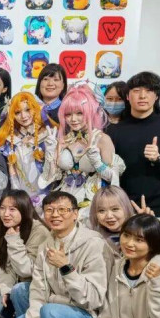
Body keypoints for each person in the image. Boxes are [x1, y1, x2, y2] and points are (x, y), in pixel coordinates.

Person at [3, 191, 113, 318]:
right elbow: (37, 292)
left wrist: (66, 268)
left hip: (88, 316)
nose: (55, 215)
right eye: (49, 210)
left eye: (63, 210)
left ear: (75, 214)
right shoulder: (46, 245)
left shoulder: (93, 244)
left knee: (50, 312)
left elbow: (94, 299)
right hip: (54, 312)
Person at [107, 71, 160, 218]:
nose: (142, 96)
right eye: (136, 91)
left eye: (148, 91)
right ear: (127, 96)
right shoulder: (113, 131)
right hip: (122, 208)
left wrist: (159, 159)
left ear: (156, 96)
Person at [40, 84, 121, 221]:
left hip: (91, 204)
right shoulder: (63, 140)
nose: (73, 119)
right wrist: (50, 154)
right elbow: (51, 177)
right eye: (68, 114)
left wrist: (97, 163)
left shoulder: (102, 139)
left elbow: (113, 179)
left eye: (79, 113)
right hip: (63, 203)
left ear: (90, 112)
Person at [89, 186, 160, 262]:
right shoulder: (93, 235)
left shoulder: (142, 227)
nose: (109, 216)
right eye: (101, 211)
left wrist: (153, 224)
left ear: (126, 208)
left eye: (115, 209)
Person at [0, 190, 50, 318]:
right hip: (13, 280)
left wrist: (14, 241)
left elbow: (26, 271)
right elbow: (1, 266)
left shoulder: (39, 231)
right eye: (2, 208)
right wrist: (5, 290)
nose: (6, 214)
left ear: (24, 209)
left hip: (34, 285)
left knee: (18, 291)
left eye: (12, 209)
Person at [0, 92, 52, 210]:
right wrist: (16, 194)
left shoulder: (47, 134)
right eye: (17, 112)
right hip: (23, 196)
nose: (23, 116)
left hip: (47, 193)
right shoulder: (11, 139)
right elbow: (12, 170)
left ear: (35, 109)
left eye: (27, 110)